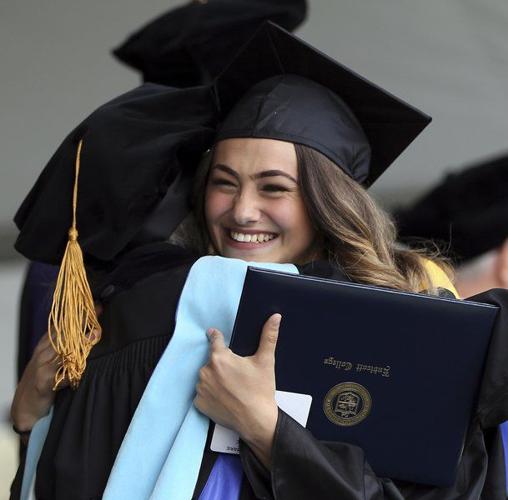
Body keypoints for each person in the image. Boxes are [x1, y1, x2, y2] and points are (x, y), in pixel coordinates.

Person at [10, 22, 508, 500]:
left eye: (274, 188)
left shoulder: (405, 335)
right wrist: (33, 422)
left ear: (327, 202)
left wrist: (266, 430)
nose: (242, 210)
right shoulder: (149, 315)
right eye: (224, 183)